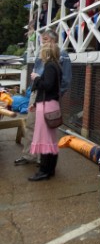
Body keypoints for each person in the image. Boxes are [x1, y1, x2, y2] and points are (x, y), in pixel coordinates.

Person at [14, 30, 72, 166]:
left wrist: (56, 95)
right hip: (37, 94)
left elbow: (66, 80)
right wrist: (33, 90)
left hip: (49, 96)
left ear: (53, 40)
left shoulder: (63, 55)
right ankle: (29, 155)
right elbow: (36, 73)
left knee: (46, 128)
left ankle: (43, 160)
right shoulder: (40, 55)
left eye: (45, 39)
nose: (42, 42)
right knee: (31, 124)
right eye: (42, 39)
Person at [28, 42, 62, 181]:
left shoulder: (49, 66)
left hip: (46, 106)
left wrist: (36, 78)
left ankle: (44, 171)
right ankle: (50, 169)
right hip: (51, 105)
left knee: (44, 139)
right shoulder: (57, 66)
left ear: (47, 53)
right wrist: (35, 104)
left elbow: (46, 86)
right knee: (51, 139)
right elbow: (51, 86)